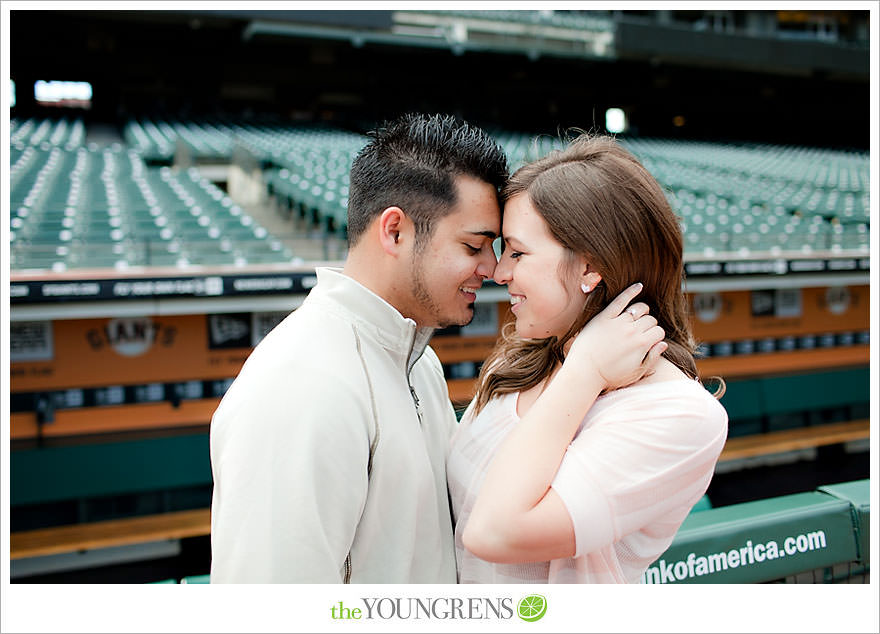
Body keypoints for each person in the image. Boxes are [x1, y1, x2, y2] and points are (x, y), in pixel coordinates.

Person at [209, 113, 509, 583]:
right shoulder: (299, 385)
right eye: (473, 247)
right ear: (394, 232)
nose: (491, 268)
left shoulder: (421, 361)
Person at [447, 133, 729, 583]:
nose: (499, 272)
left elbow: (494, 533)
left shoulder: (679, 413)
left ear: (589, 267)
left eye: (518, 252)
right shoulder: (521, 359)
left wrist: (585, 370)